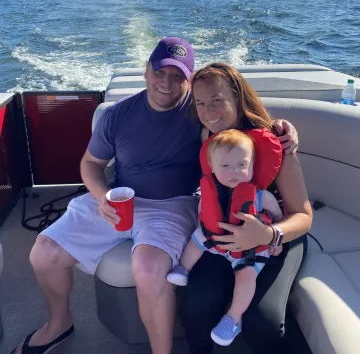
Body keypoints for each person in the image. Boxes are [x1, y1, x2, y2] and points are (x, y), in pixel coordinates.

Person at [11, 37, 299, 354]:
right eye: (160, 72)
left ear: (188, 82)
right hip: (119, 198)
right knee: (44, 252)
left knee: (148, 269)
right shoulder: (117, 116)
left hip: (173, 204)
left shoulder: (200, 112)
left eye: (177, 76)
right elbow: (91, 164)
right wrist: (102, 194)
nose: (166, 83)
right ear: (146, 71)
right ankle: (58, 323)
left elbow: (236, 115)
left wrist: (280, 126)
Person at [180, 62, 312, 354]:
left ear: (238, 98)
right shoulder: (208, 137)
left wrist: (267, 234)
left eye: (217, 100)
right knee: (197, 303)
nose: (208, 112)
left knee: (261, 321)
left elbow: (303, 217)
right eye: (200, 103)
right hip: (222, 238)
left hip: (278, 238)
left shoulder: (276, 142)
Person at [167, 129, 284, 346]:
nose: (234, 172)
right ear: (212, 167)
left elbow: (277, 217)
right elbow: (202, 220)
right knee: (197, 237)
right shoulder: (208, 194)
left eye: (242, 165)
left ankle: (233, 319)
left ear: (252, 165)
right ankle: (183, 268)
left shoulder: (262, 197)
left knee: (247, 276)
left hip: (249, 250)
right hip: (218, 243)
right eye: (225, 166)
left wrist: (274, 241)